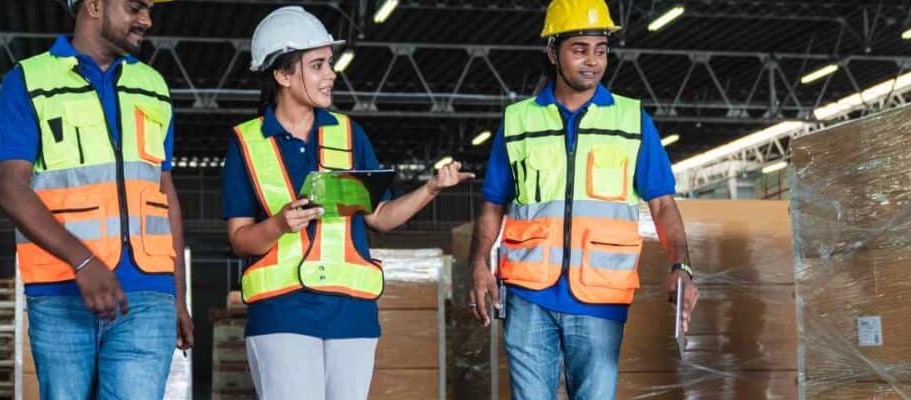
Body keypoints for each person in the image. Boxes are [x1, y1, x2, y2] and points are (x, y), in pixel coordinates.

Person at [219, 6, 474, 400]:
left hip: (352, 314)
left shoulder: (351, 135)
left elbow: (382, 218)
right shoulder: (246, 144)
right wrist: (279, 225)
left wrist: (432, 189)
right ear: (283, 74)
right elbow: (239, 239)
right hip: (282, 312)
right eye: (317, 65)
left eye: (329, 64)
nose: (331, 75)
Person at [466, 0, 701, 398]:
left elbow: (662, 204)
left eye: (601, 50)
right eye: (579, 49)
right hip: (528, 294)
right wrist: (477, 264)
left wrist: (682, 265)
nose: (592, 61)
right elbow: (494, 204)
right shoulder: (518, 121)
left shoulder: (631, 120)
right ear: (552, 51)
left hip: (600, 296)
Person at [0, 0, 189, 398]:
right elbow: (11, 189)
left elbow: (163, 190)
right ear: (95, 6)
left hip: (148, 295)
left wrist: (178, 297)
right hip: (62, 293)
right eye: (136, 7)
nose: (147, 20)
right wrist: (82, 260)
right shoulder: (27, 82)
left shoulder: (153, 85)